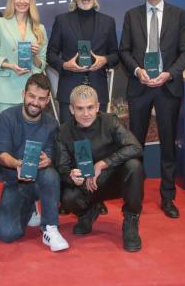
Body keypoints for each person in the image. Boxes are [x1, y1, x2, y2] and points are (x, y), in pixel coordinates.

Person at [119, 0, 185, 219]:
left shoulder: (179, 15)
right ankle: (133, 198)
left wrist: (168, 74)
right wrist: (138, 70)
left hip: (167, 87)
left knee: (168, 145)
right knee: (134, 144)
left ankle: (168, 197)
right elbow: (124, 51)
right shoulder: (131, 15)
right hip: (140, 87)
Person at [55, 85, 144, 252]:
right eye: (80, 109)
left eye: (90, 107)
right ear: (71, 109)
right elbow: (62, 167)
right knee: (67, 197)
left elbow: (135, 147)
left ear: (97, 106)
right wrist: (71, 175)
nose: (86, 113)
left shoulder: (110, 121)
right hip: (85, 185)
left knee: (134, 166)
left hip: (112, 179)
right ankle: (88, 212)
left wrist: (103, 164)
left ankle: (131, 221)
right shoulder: (63, 131)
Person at [0, 74, 68, 251]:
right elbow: (1, 154)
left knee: (50, 175)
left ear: (47, 100)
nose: (35, 103)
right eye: (32, 96)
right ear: (23, 94)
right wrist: (17, 164)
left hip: (39, 180)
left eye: (41, 99)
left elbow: (51, 153)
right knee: (8, 234)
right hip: (14, 182)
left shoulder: (52, 124)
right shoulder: (7, 117)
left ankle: (50, 228)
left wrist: (48, 159)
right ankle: (31, 207)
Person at [47, 0, 119, 123]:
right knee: (68, 138)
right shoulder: (62, 21)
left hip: (98, 90)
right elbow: (50, 54)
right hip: (69, 90)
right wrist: (65, 65)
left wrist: (104, 60)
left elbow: (115, 55)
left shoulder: (108, 22)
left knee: (98, 139)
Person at [0, 0, 47, 115]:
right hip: (6, 89)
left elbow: (42, 64)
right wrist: (10, 66)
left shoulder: (39, 28)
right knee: (7, 132)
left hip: (32, 91)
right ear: (12, 0)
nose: (22, 1)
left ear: (31, 0)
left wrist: (34, 56)